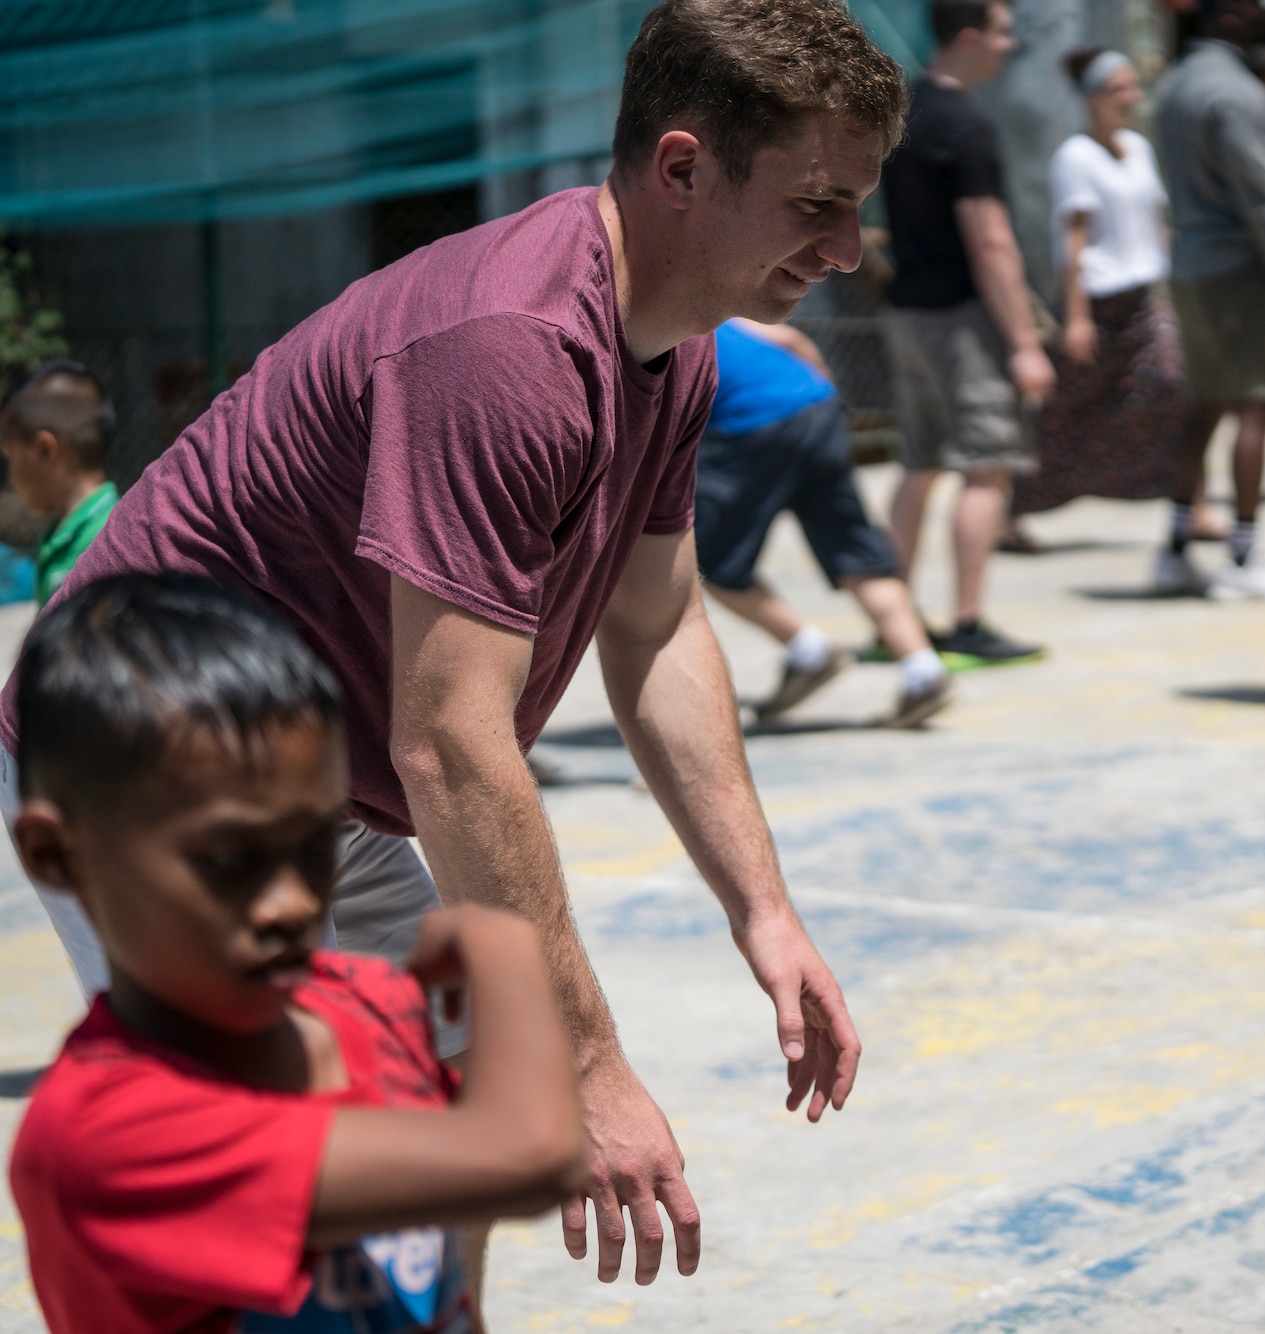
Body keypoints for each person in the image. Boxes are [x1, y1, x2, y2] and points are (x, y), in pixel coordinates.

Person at [0, 0, 906, 1294]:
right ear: (684, 170)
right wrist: (593, 1063)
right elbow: (452, 739)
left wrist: (762, 910)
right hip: (157, 772)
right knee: (269, 1195)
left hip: (325, 775)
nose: (850, 248)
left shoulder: (680, 349)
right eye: (819, 203)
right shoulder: (512, 349)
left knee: (437, 1107)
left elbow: (656, 628)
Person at [7, 575, 587, 1333]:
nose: (291, 904)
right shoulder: (110, 1135)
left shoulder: (365, 1002)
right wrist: (498, 939)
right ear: (56, 855)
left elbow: (432, 1288)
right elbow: (531, 1155)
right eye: (227, 859)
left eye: (315, 846)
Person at [881, 0, 1053, 665]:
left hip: (905, 312)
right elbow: (991, 242)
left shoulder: (905, 114)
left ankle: (890, 618)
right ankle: (967, 623)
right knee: (986, 471)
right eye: (1005, 34)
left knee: (917, 463)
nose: (1009, 47)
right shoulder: (969, 126)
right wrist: (1023, 343)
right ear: (973, 36)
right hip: (961, 319)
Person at [1009, 47, 1212, 589]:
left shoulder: (1139, 149)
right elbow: (1073, 240)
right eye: (1120, 88)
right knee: (1064, 409)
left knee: (1173, 388)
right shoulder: (1074, 157)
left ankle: (1191, 501)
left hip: (1144, 299)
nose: (1131, 98)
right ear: (1094, 98)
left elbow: (1153, 225)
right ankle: (1012, 504)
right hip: (1096, 304)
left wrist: (1175, 288)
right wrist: (1074, 316)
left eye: (1132, 87)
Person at [696, 317, 953, 726]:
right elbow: (792, 338)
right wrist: (825, 399)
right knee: (854, 544)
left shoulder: (653, 325)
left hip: (749, 429)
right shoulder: (712, 311)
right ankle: (922, 670)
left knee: (707, 562)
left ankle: (809, 651)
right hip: (815, 403)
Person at [1153, 0, 1265, 599]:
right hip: (1242, 267)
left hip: (1189, 262)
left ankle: (1175, 549)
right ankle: (1244, 555)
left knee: (1203, 404)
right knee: (1254, 407)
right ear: (1232, 15)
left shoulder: (1174, 84)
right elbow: (1264, 195)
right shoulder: (1236, 92)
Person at [0, 360, 118, 606]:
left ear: (45, 450)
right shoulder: (64, 537)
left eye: (10, 455)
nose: (10, 476)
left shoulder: (108, 542)